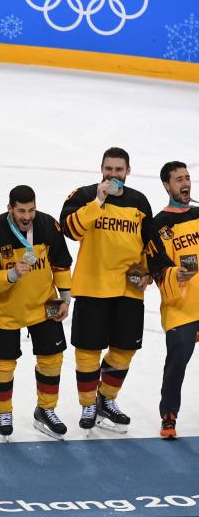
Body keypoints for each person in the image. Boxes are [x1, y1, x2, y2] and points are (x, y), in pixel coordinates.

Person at [60, 147, 166, 433]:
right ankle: (87, 405)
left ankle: (106, 399)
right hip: (93, 285)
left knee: (124, 350)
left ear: (128, 171)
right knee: (87, 350)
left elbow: (150, 245)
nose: (114, 175)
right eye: (109, 169)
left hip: (128, 290)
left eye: (119, 170)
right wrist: (98, 201)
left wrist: (148, 275)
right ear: (102, 168)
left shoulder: (139, 202)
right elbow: (69, 230)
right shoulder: (83, 196)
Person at [0, 185, 73, 439]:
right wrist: (11, 275)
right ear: (10, 208)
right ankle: (4, 413)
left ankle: (46, 410)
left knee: (52, 361)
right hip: (5, 312)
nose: (27, 216)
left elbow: (60, 264)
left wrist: (65, 298)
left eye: (31, 210)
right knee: (3, 367)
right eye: (21, 211)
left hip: (43, 306)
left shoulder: (48, 225)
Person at [151, 161, 198, 439]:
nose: (185, 183)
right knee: (177, 358)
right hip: (181, 305)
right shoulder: (158, 224)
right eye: (179, 179)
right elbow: (155, 265)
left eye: (188, 177)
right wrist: (172, 273)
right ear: (167, 186)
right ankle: (169, 415)